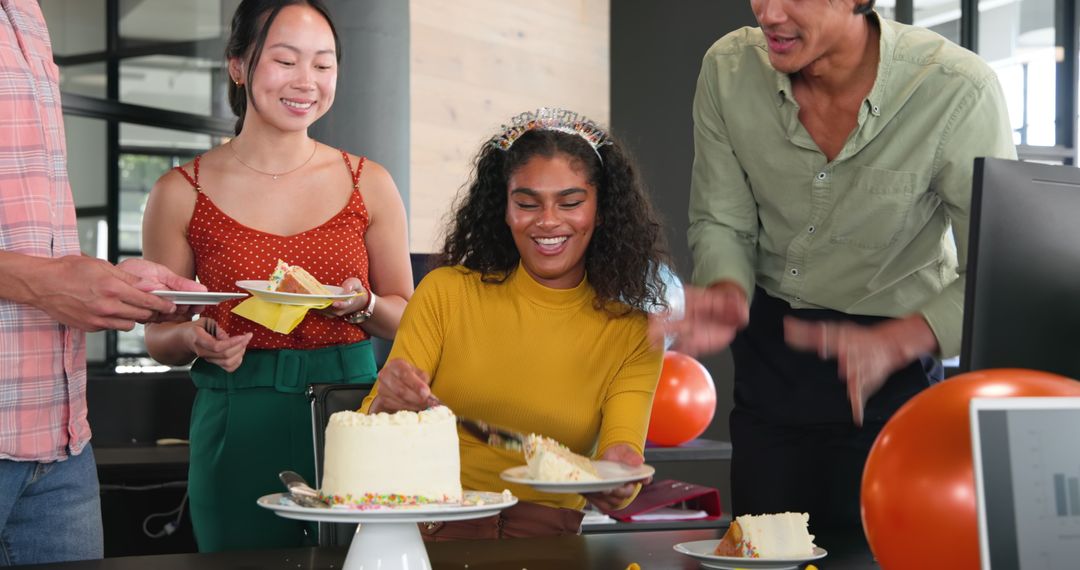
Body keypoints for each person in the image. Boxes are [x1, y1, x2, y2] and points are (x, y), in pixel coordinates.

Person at [660, 0, 1017, 529]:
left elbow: (998, 272)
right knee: (765, 552)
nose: (769, 13)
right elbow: (722, 221)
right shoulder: (728, 68)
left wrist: (896, 342)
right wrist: (728, 293)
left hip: (894, 362)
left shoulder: (957, 89)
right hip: (771, 355)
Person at [141, 0, 413, 552]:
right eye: (286, 61)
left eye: (323, 63)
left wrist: (361, 304)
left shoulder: (370, 182)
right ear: (239, 66)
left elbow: (405, 314)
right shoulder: (180, 191)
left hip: (350, 409)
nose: (306, 82)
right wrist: (194, 338)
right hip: (237, 415)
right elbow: (158, 335)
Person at [362, 108, 669, 539]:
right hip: (433, 526)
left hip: (549, 541)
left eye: (571, 202)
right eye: (527, 203)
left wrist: (618, 477)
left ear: (601, 212)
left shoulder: (635, 333)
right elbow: (369, 426)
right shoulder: (447, 293)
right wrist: (387, 402)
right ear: (503, 211)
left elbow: (622, 452)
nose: (547, 221)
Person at [0, 1, 206, 565]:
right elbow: (39, 276)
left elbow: (26, 231)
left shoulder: (27, 15)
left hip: (61, 441)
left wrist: (114, 283)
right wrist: (42, 283)